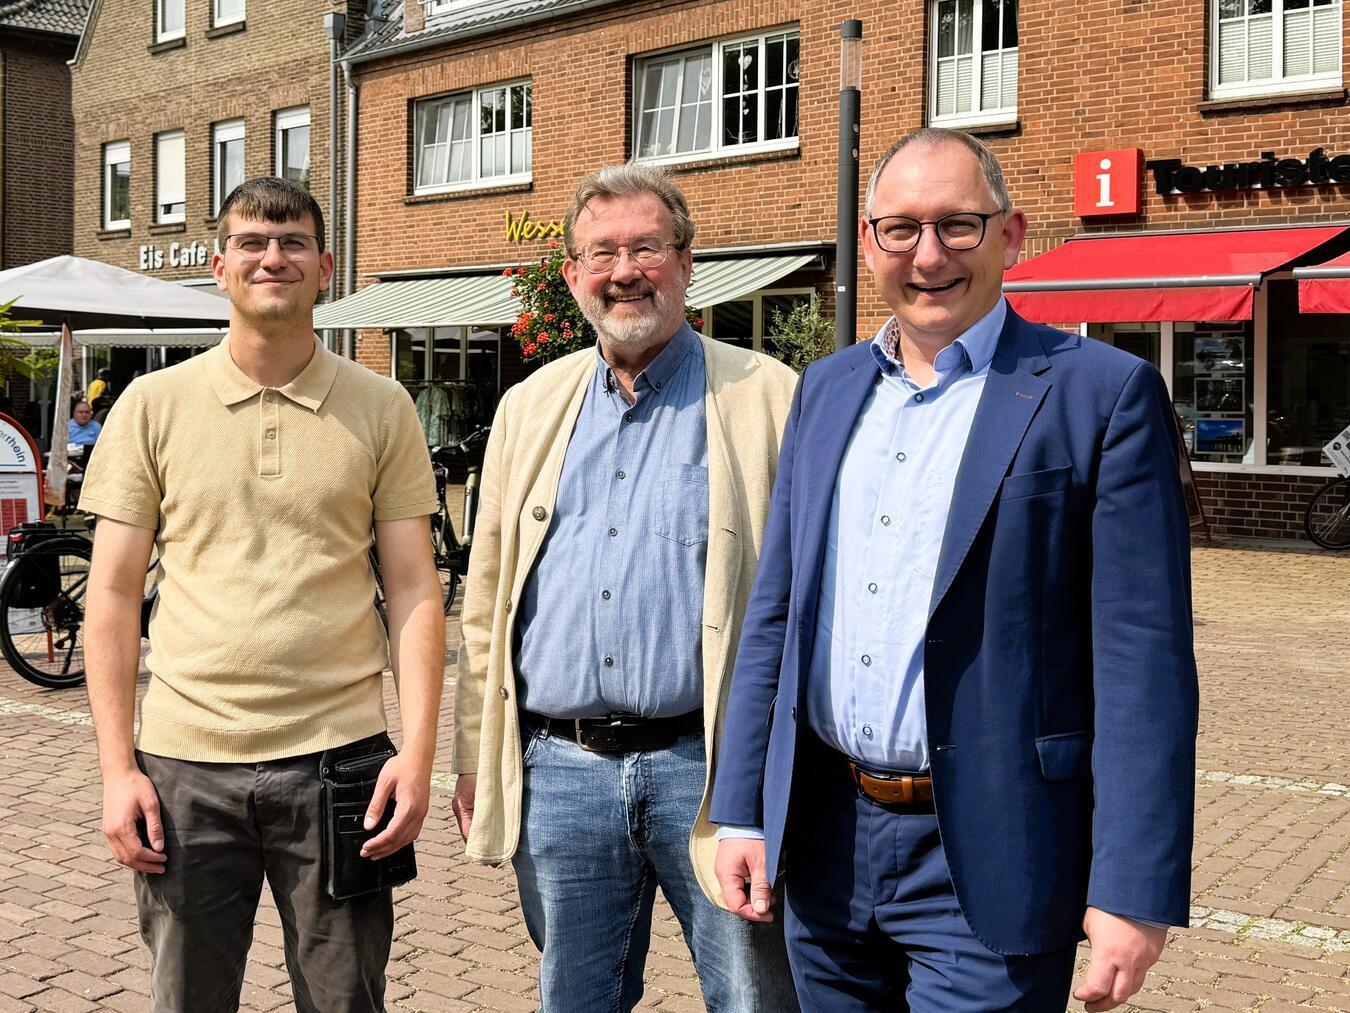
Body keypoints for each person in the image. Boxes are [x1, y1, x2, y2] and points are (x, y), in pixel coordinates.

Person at [711, 128, 1199, 1012]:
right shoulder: (825, 388)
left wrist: (1134, 884)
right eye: (900, 229)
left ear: (1010, 235)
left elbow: (1142, 661)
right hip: (825, 837)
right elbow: (776, 612)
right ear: (869, 242)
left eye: (957, 227)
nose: (928, 255)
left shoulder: (1102, 393)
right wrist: (742, 805)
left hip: (996, 844)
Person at [81, 176, 444, 1012]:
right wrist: (114, 768)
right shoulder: (152, 405)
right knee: (188, 999)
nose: (270, 258)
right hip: (184, 767)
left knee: (346, 1000)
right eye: (251, 242)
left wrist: (417, 756)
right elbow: (111, 593)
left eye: (289, 245)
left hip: (343, 763)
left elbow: (415, 588)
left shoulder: (382, 409)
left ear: (324, 267)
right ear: (219, 265)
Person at [451, 162, 799, 1012]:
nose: (624, 269)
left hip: (715, 769)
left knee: (754, 995)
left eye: (646, 246)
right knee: (577, 998)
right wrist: (473, 757)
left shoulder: (769, 397)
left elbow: (806, 602)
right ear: (571, 276)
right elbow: (487, 599)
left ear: (686, 262)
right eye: (600, 252)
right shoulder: (532, 405)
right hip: (560, 771)